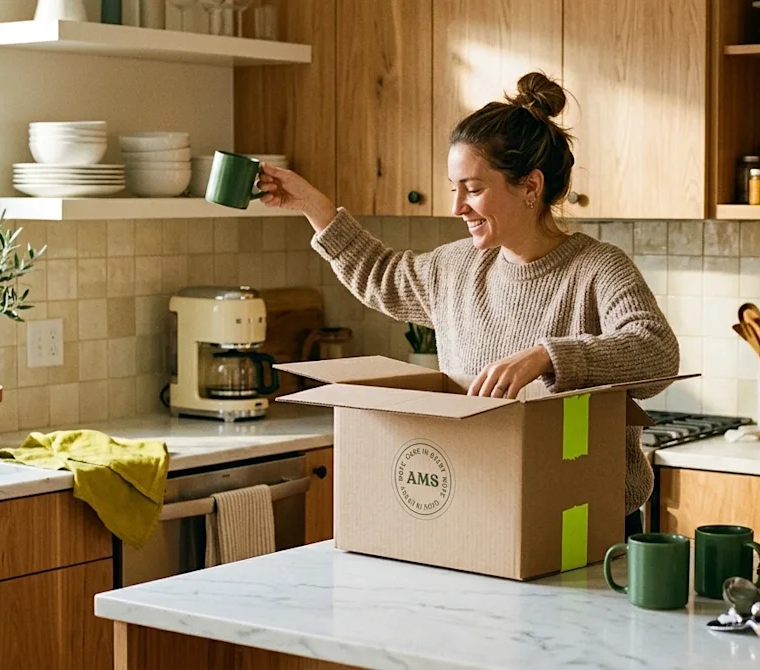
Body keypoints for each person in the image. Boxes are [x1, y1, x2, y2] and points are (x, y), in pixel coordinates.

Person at [256, 72, 679, 534]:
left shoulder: (597, 268)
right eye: (454, 187)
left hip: (584, 520)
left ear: (530, 187)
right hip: (478, 508)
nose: (458, 205)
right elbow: (380, 275)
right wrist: (313, 206)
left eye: (473, 189)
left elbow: (656, 351)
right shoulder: (456, 268)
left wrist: (547, 356)